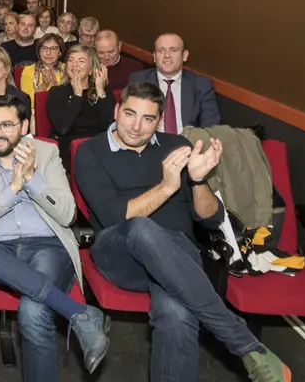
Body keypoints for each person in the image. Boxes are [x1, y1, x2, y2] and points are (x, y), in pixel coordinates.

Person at [74, 82, 291, 382]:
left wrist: (200, 181)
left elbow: (211, 217)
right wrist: (167, 187)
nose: (136, 127)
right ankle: (242, 341)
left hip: (176, 257)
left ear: (159, 120)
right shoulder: (90, 151)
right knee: (140, 228)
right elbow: (114, 217)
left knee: (176, 314)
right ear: (116, 110)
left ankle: (246, 349)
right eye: (129, 114)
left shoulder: (178, 146)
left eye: (148, 119)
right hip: (120, 253)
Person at [0, 94, 110, 381]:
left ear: (25, 126)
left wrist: (33, 182)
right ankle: (78, 313)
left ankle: (74, 313)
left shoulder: (47, 153)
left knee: (33, 310)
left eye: (6, 125)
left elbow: (66, 215)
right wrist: (12, 189)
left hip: (47, 246)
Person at [129, 33, 220, 134]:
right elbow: (129, 120)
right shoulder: (138, 80)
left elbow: (211, 127)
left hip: (188, 143)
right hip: (150, 142)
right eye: (161, 51)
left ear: (184, 56)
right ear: (155, 57)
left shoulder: (201, 84)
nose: (167, 55)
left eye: (173, 50)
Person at [46, 44, 113, 170]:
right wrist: (77, 96)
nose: (74, 65)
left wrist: (100, 91)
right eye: (71, 60)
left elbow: (110, 126)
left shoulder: (102, 91)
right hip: (70, 149)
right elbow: (63, 128)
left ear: (91, 68)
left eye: (81, 61)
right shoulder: (57, 92)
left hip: (100, 147)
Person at [19, 33, 66, 130]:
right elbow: (27, 103)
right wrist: (44, 86)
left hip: (63, 114)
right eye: (44, 48)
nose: (48, 53)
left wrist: (55, 86)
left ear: (60, 52)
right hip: (37, 114)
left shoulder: (67, 69)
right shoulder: (28, 71)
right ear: (39, 51)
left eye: (53, 48)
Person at [94, 30, 144, 100]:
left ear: (119, 47)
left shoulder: (135, 67)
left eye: (111, 52)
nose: (107, 57)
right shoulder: (90, 65)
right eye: (101, 53)